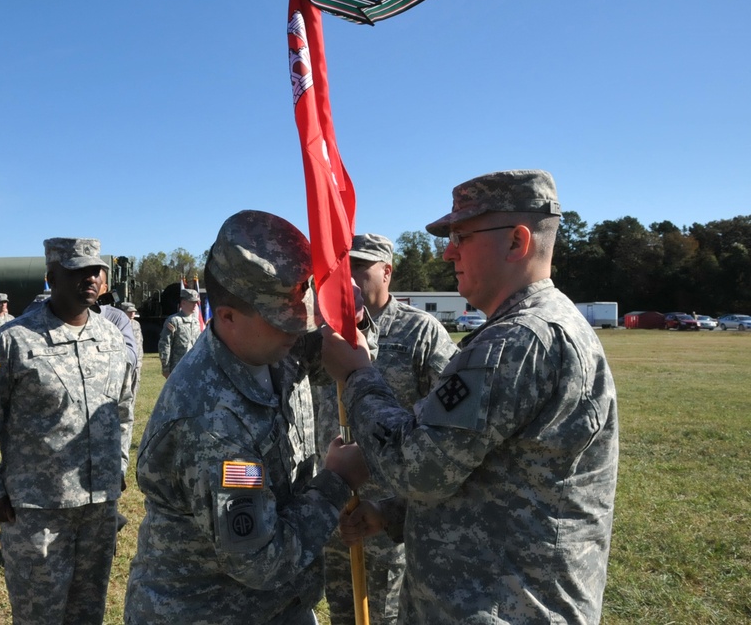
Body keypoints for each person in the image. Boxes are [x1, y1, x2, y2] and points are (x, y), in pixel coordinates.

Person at [322, 170, 619, 624]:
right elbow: (486, 469)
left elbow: (419, 467)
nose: (447, 251)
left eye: (462, 236)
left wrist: (358, 374)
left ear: (517, 242)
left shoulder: (519, 340)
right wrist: (392, 514)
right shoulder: (526, 331)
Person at [124, 210, 370, 625]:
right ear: (227, 317)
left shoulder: (270, 344)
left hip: (280, 605)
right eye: (285, 321)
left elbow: (330, 349)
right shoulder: (210, 422)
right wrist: (337, 483)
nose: (300, 330)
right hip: (209, 611)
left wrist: (352, 315)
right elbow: (262, 561)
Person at [0, 237, 133, 625]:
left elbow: (123, 409)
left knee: (89, 610)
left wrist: (118, 465)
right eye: (77, 271)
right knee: (40, 613)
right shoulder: (13, 340)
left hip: (98, 504)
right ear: (51, 276)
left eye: (95, 270)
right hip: (38, 508)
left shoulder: (110, 337)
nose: (90, 278)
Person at [315, 232, 459, 625]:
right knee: (342, 611)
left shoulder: (421, 332)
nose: (350, 276)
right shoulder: (324, 333)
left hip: (387, 512)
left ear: (387, 271)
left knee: (385, 615)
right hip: (331, 504)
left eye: (360, 266)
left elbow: (449, 418)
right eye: (344, 267)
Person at [157, 287, 201, 377]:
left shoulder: (196, 322)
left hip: (194, 367)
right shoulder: (174, 321)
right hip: (178, 368)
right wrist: (165, 367)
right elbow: (165, 345)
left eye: (195, 303)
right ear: (183, 303)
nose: (195, 305)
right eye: (192, 302)